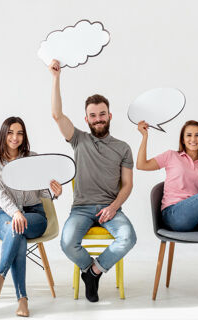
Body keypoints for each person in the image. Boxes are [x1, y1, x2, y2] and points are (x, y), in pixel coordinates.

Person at [48, 60, 137, 302]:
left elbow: (127, 185)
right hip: (81, 209)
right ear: (86, 119)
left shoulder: (123, 148)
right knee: (67, 243)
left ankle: (94, 272)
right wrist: (56, 78)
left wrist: (113, 207)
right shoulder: (79, 139)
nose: (98, 119)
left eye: (102, 114)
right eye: (92, 115)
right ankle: (89, 270)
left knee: (129, 237)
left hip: (111, 208)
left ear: (109, 116)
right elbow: (57, 115)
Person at [0, 116, 62, 317]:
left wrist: (55, 191)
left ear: (24, 136)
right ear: (3, 134)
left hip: (35, 215)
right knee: (16, 228)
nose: (15, 137)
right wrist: (16, 213)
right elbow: (0, 194)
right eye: (10, 132)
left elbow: (44, 194)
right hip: (6, 215)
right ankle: (22, 300)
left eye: (19, 133)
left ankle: (0, 275)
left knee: (18, 227)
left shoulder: (33, 159)